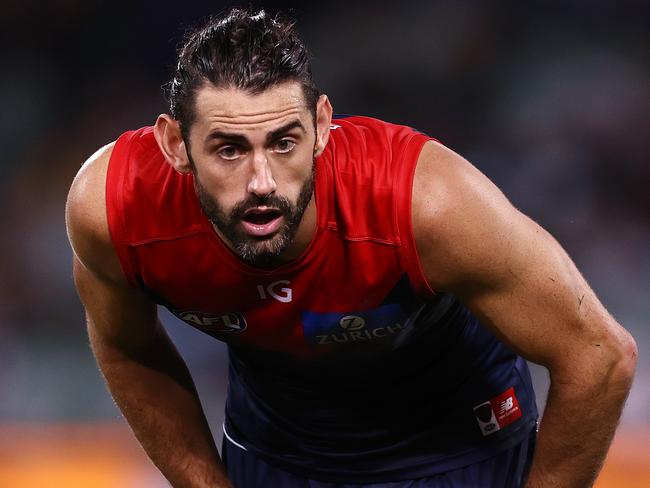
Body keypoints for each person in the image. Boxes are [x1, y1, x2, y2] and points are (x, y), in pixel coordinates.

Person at [65, 8, 637, 488]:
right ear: (174, 145)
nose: (262, 181)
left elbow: (601, 357)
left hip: (457, 448)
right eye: (229, 149)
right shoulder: (113, 211)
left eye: (284, 142)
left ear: (322, 126)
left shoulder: (425, 205)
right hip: (278, 453)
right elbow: (127, 349)